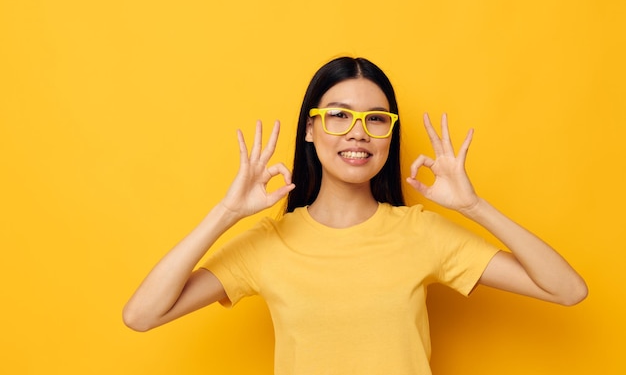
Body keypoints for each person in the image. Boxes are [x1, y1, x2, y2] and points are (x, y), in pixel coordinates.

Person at [123, 56, 587, 374]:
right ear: (311, 128)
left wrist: (473, 207)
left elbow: (567, 290)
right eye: (339, 116)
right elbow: (142, 315)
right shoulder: (268, 243)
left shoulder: (421, 232)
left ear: (389, 133)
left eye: (377, 119)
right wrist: (226, 213)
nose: (358, 133)